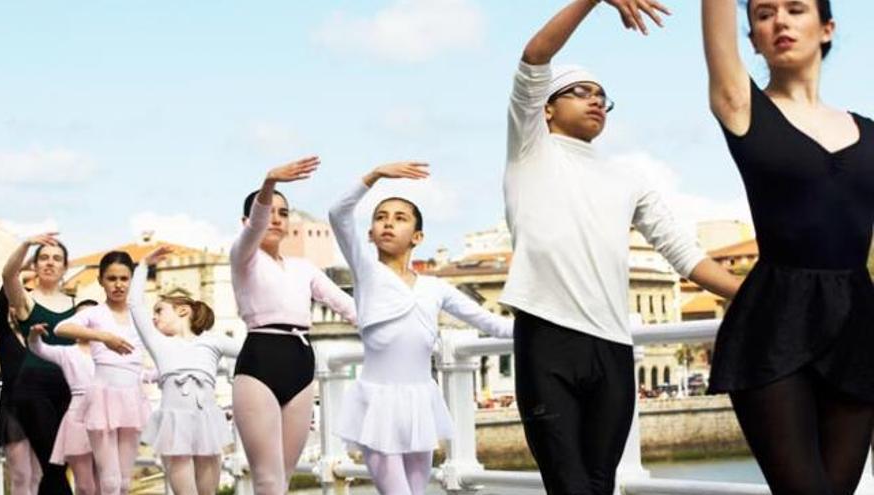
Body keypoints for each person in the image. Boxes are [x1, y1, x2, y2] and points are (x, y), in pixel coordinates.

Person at [501, 1, 741, 492]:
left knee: (600, 483)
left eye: (602, 96)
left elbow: (683, 253)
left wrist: (752, 291)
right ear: (545, 108)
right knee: (569, 486)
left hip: (612, 345)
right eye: (579, 92)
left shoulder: (628, 178)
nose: (594, 100)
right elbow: (533, 56)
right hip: (548, 337)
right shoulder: (530, 150)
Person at [701, 1, 874, 493]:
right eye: (762, 14)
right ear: (751, 39)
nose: (778, 21)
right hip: (773, 326)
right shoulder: (742, 108)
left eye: (795, 9)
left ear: (827, 28)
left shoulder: (871, 134)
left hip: (858, 326)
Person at [329, 162, 513, 495]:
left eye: (400, 218)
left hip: (420, 403)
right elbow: (338, 214)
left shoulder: (435, 287)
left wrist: (550, 327)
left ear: (418, 236)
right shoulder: (367, 271)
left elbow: (493, 324)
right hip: (378, 403)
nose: (388, 223)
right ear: (370, 233)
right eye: (381, 217)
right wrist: (375, 176)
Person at [230, 156, 357, 494]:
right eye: (269, 210)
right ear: (247, 221)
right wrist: (270, 181)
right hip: (260, 359)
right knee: (267, 479)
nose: (275, 218)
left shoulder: (303, 267)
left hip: (301, 361)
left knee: (284, 476)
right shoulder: (243, 258)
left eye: (283, 213)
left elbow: (347, 306)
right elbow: (256, 228)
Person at [129, 245, 241, 495]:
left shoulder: (213, 340)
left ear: (182, 310)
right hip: (174, 420)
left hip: (207, 418)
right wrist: (143, 266)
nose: (154, 317)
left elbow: (251, 351)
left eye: (159, 310)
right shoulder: (159, 343)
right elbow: (135, 305)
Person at [55, 251, 151, 495]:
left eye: (123, 278)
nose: (118, 284)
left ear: (131, 280)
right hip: (103, 398)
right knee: (109, 480)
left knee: (124, 482)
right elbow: (60, 328)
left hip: (132, 398)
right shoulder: (95, 314)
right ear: (100, 281)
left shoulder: (139, 315)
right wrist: (102, 336)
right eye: (111, 278)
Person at [1, 233, 77, 493]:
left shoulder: (78, 306)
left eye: (57, 259)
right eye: (43, 258)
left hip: (70, 391)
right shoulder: (25, 301)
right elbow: (8, 276)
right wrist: (25, 245)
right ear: (34, 265)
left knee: (57, 468)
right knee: (52, 462)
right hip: (33, 390)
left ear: (65, 267)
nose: (50, 263)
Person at [27, 299, 99, 495]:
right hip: (78, 419)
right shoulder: (68, 353)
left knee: (106, 483)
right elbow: (39, 349)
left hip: (106, 416)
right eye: (81, 317)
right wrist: (34, 336)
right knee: (85, 486)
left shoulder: (109, 350)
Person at [0, 287, 42, 495]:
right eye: (14, 302)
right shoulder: (4, 333)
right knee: (21, 475)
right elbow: (1, 301)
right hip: (14, 409)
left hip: (43, 409)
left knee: (39, 476)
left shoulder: (44, 336)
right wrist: (14, 279)